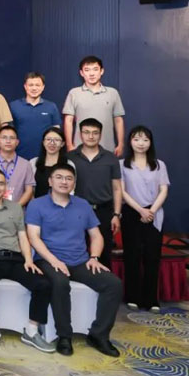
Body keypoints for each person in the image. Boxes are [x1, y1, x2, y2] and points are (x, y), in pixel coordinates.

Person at [26, 163, 123, 357]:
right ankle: (64, 336)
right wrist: (54, 260)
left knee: (113, 283)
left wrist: (94, 257)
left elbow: (96, 235)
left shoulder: (83, 205)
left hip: (80, 261)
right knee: (60, 282)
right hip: (47, 259)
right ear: (50, 181)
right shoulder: (36, 204)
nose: (64, 182)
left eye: (69, 178)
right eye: (59, 177)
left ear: (74, 183)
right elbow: (33, 237)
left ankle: (98, 335)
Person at [0, 169, 55, 352]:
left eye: (0, 183)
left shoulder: (15, 208)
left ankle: (32, 330)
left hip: (15, 259)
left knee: (43, 284)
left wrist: (28, 260)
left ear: (5, 186)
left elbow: (22, 236)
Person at [119, 126, 170, 312]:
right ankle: (132, 296)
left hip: (154, 214)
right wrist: (140, 210)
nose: (141, 143)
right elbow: (122, 191)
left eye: (145, 140)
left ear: (150, 143)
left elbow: (163, 189)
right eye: (136, 139)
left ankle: (151, 299)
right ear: (130, 142)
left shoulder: (159, 165)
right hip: (131, 212)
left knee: (152, 257)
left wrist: (151, 210)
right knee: (132, 256)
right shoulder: (122, 164)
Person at [66, 118, 122, 267]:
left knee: (104, 254)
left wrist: (116, 214)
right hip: (76, 210)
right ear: (80, 134)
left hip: (103, 211)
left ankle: (104, 281)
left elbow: (117, 188)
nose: (91, 136)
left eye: (95, 133)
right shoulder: (70, 157)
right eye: (86, 132)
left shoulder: (111, 158)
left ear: (100, 135)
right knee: (76, 252)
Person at [63, 55, 125, 156]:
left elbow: (118, 120)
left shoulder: (113, 93)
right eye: (87, 70)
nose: (91, 74)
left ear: (101, 71)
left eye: (95, 69)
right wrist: (69, 145)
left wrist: (121, 144)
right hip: (80, 149)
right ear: (81, 73)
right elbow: (68, 120)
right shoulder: (74, 93)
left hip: (107, 148)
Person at [0, 125, 35, 207]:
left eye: (12, 138)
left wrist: (16, 208)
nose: (8, 141)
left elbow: (29, 191)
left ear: (17, 142)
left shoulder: (26, 164)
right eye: (4, 137)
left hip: (18, 210)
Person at [9, 72, 61, 159]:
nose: (34, 88)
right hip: (19, 156)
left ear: (43, 87)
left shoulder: (51, 106)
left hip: (45, 157)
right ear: (25, 86)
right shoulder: (14, 106)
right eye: (31, 85)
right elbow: (8, 132)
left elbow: (57, 133)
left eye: (37, 85)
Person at [30, 127, 75, 198]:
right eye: (48, 139)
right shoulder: (33, 162)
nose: (52, 143)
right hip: (37, 203)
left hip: (61, 203)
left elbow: (71, 190)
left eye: (56, 140)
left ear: (62, 143)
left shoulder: (69, 164)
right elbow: (29, 189)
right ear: (43, 142)